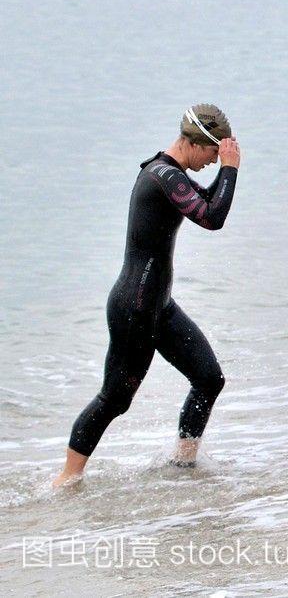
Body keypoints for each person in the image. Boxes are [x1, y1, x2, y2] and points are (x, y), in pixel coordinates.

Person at [53, 105, 240, 487]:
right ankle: (66, 481)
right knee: (114, 399)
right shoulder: (163, 176)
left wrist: (225, 168)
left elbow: (210, 203)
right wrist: (231, 168)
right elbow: (212, 217)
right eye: (211, 153)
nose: (211, 161)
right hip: (134, 308)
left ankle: (184, 465)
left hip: (158, 306)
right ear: (194, 143)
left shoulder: (173, 176)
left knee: (209, 378)